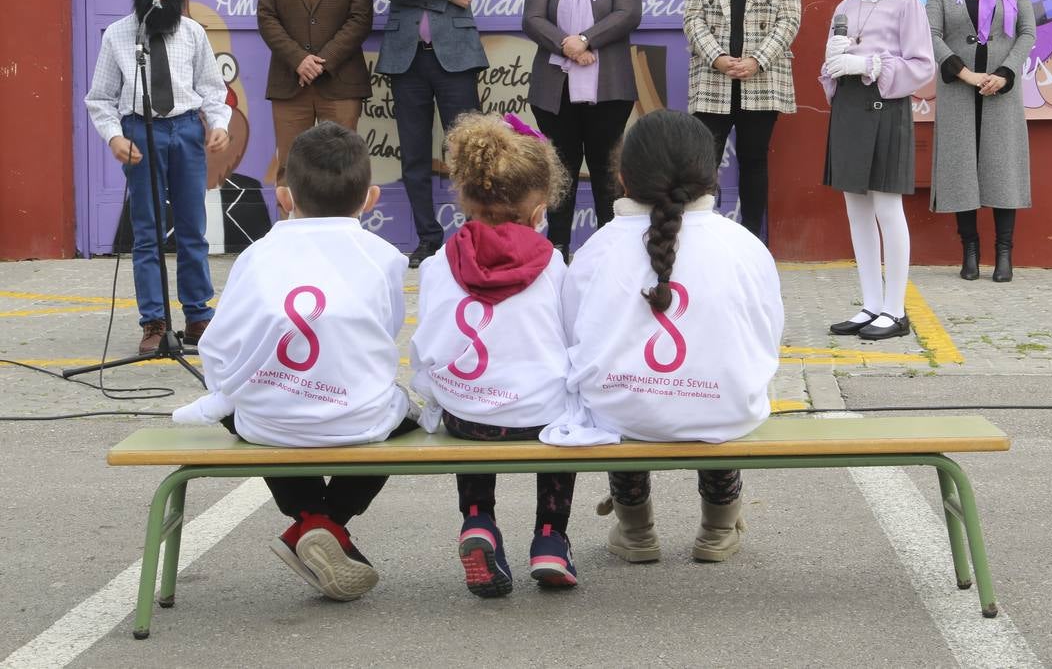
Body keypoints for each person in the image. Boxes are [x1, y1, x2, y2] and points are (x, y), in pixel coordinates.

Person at [172, 122, 419, 602]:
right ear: (370, 198)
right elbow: (384, 336)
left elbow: (219, 347)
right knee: (402, 417)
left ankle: (309, 520)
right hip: (357, 420)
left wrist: (242, 386)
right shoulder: (385, 257)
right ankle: (328, 524)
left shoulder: (258, 255)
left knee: (250, 407)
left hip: (271, 424)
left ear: (284, 198)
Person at [542, 111, 784, 565]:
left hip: (621, 415)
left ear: (621, 177)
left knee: (615, 391)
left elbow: (573, 339)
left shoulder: (596, 249)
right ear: (712, 175)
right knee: (721, 376)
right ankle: (718, 526)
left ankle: (635, 530)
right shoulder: (745, 245)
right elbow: (766, 335)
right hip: (726, 409)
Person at [410, 113, 575, 597]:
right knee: (559, 404)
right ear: (539, 209)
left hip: (468, 418)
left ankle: (478, 519)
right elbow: (571, 339)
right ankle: (550, 537)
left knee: (469, 399)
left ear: (465, 199)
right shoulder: (553, 265)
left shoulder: (441, 261)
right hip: (539, 418)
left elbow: (430, 340)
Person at [85, 0, 231, 355]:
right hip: (140, 133)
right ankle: (154, 321)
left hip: (185, 131)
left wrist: (218, 124)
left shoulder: (194, 33)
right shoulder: (117, 35)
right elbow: (100, 98)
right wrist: (115, 136)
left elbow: (211, 88)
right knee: (147, 233)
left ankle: (199, 316)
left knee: (192, 229)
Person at [821, 0, 935, 341]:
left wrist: (869, 64)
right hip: (850, 107)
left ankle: (895, 309)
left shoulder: (907, 3)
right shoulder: (845, 8)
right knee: (856, 211)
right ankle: (871, 303)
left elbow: (922, 65)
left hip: (884, 106)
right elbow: (832, 59)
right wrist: (834, 65)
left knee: (888, 208)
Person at [376, 0, 488, 267]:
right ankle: (427, 238)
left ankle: (475, 235)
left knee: (469, 153)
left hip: (456, 60)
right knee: (415, 154)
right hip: (408, 61)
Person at [523, 0, 642, 260]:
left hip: (609, 91)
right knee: (561, 171)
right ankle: (557, 247)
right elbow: (532, 19)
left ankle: (609, 249)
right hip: (554, 90)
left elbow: (628, 13)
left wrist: (586, 40)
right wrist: (568, 46)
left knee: (607, 170)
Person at [926, 0, 1036, 283]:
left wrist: (1005, 74)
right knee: (961, 171)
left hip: (1000, 92)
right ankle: (969, 251)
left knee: (1002, 169)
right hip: (960, 88)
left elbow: (1026, 33)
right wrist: (966, 73)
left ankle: (1004, 254)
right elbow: (933, 33)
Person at [683, 0, 801, 240]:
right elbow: (692, 19)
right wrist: (717, 57)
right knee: (703, 165)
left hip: (761, 80)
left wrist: (756, 60)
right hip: (712, 79)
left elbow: (790, 19)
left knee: (754, 163)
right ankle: (699, 240)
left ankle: (751, 241)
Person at [257, 0, 374, 220]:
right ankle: (287, 242)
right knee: (289, 168)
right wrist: (299, 59)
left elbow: (360, 19)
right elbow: (266, 18)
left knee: (346, 167)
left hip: (340, 82)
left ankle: (344, 240)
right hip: (289, 81)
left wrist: (322, 61)